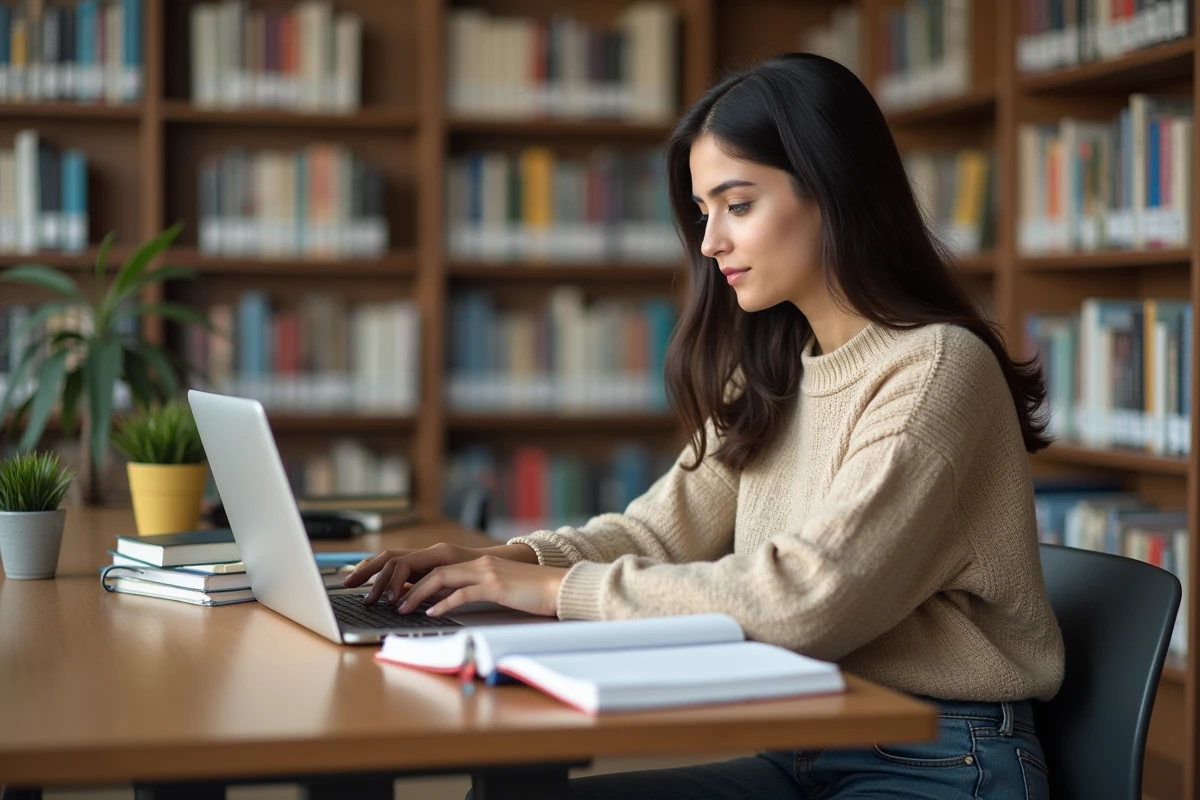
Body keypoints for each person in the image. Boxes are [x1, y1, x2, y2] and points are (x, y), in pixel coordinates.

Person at [343, 53, 1065, 799]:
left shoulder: (936, 369)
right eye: (702, 212)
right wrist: (497, 561)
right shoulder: (776, 367)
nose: (710, 241)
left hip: (939, 755)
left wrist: (555, 590)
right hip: (803, 741)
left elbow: (808, 602)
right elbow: (656, 533)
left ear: (833, 191)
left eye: (738, 204)